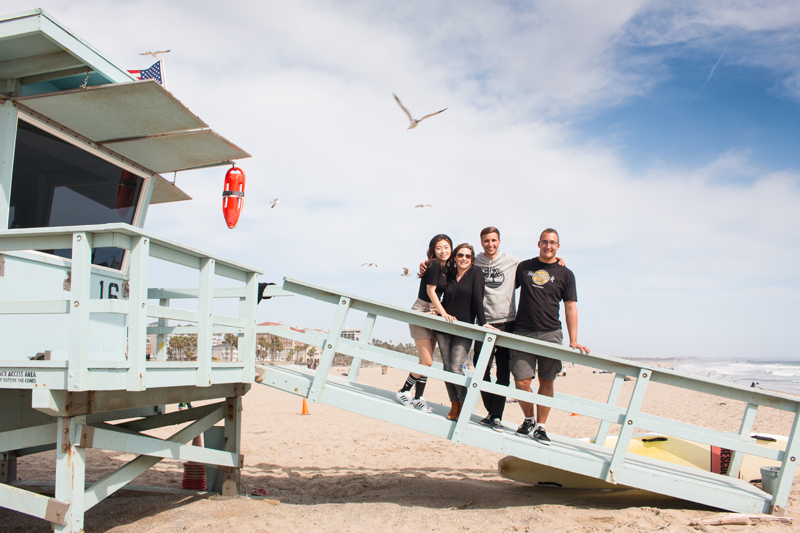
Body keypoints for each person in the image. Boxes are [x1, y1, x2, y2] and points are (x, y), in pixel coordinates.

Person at [473, 227, 565, 432]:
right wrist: (428, 264)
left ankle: (496, 416)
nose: (490, 244)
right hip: (483, 323)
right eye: (486, 241)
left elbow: (540, 264)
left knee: (504, 373)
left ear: (499, 241)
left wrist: (557, 261)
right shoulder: (474, 261)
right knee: (481, 370)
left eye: (494, 240)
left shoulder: (513, 261)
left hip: (509, 322)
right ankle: (492, 410)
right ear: (481, 242)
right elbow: (455, 266)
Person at [511, 228, 589, 445]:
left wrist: (573, 339)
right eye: (545, 242)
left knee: (547, 380)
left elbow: (571, 307)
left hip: (551, 333)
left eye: (553, 243)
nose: (548, 246)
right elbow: (504, 286)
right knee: (522, 381)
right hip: (523, 331)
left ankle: (540, 427)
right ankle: (528, 419)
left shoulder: (566, 273)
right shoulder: (524, 266)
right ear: (538, 244)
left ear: (558, 246)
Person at [435, 243, 496, 420]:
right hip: (444, 325)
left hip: (465, 327)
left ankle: (464, 405)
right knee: (447, 368)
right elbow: (437, 291)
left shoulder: (476, 273)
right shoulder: (449, 273)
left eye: (468, 256)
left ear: (472, 259)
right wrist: (435, 308)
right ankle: (454, 406)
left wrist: (482, 323)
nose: (463, 259)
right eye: (460, 255)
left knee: (455, 367)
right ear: (454, 257)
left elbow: (478, 298)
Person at [396, 234, 453, 413]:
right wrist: (443, 312)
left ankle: (419, 397)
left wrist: (438, 311)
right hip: (422, 311)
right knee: (427, 361)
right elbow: (430, 291)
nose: (443, 251)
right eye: (438, 248)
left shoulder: (447, 268)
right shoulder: (435, 264)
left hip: (433, 312)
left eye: (446, 247)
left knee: (425, 362)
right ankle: (404, 390)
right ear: (432, 251)